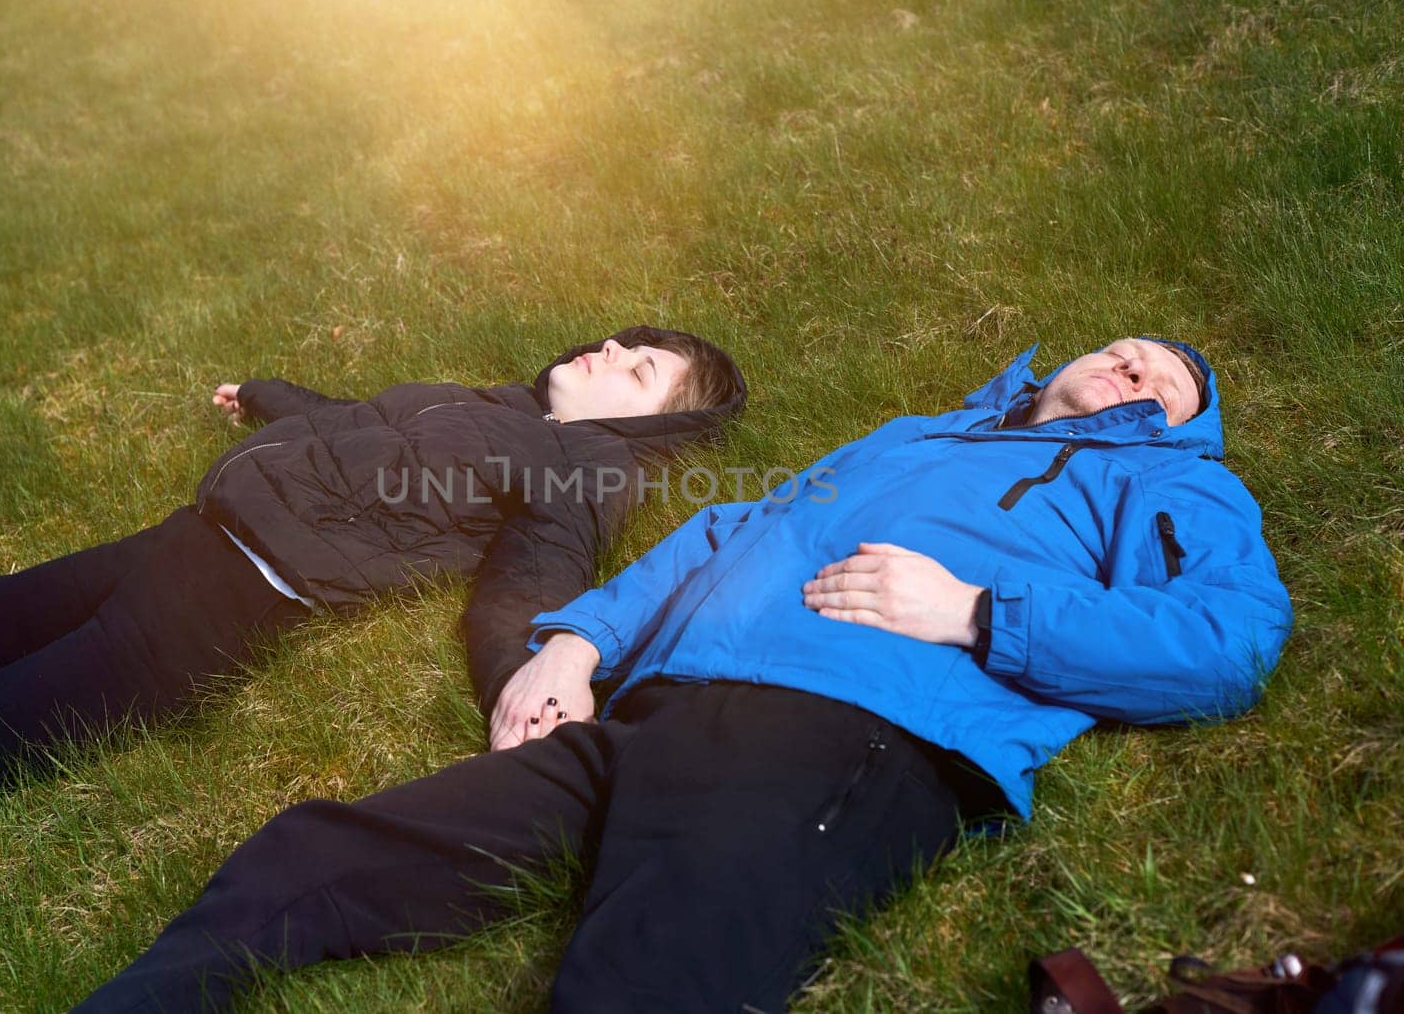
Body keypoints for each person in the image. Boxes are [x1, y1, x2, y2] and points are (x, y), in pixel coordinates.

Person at [76, 336, 1293, 1014]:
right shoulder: (917, 436)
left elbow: (1228, 646)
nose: (1134, 367)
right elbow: (731, 530)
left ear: (1178, 424)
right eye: (1124, 349)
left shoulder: (1173, 487)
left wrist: (983, 612)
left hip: (848, 741)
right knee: (313, 856)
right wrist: (578, 642)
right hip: (661, 717)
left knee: (644, 990)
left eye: (1165, 379)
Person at [0, 327, 748, 881]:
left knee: (7, 714)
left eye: (640, 374)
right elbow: (357, 428)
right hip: (188, 537)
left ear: (653, 426)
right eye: (628, 341)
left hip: (226, 607)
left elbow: (535, 573)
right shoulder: (500, 406)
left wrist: (529, 670)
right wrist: (270, 397)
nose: (612, 349)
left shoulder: (579, 469)